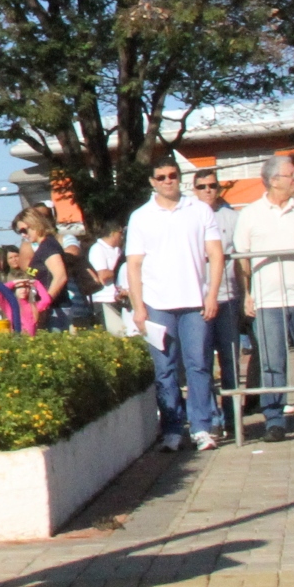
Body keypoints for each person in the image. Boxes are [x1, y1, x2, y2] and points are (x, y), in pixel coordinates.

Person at [125, 155, 228, 453]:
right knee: (165, 369)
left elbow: (216, 255)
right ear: (152, 182)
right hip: (157, 304)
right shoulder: (141, 216)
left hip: (195, 302)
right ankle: (171, 428)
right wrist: (139, 307)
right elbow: (134, 265)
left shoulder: (199, 210)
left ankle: (202, 427)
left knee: (199, 365)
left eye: (172, 175)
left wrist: (211, 295)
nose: (168, 181)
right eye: (162, 177)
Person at [231, 155, 294, 442]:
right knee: (272, 362)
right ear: (274, 180)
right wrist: (247, 294)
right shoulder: (250, 213)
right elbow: (242, 261)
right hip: (268, 300)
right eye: (291, 175)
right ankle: (274, 420)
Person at [192, 169, 246, 403]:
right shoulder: (188, 215)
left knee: (229, 360)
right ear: (194, 190)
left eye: (212, 186)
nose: (208, 190)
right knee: (200, 360)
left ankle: (233, 418)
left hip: (227, 296)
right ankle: (211, 418)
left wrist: (246, 295)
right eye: (202, 186)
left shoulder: (232, 217)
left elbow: (242, 257)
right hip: (195, 298)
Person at [12, 206, 85, 331]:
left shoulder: (48, 246)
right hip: (51, 309)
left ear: (34, 223)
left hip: (55, 309)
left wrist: (45, 303)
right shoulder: (44, 246)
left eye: (24, 230)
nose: (23, 235)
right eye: (20, 232)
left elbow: (60, 276)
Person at [86, 222, 133, 337]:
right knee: (113, 334)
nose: (121, 236)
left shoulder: (119, 250)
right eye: (120, 233)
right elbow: (102, 275)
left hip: (119, 298)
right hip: (104, 299)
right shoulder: (98, 249)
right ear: (113, 233)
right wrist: (119, 270)